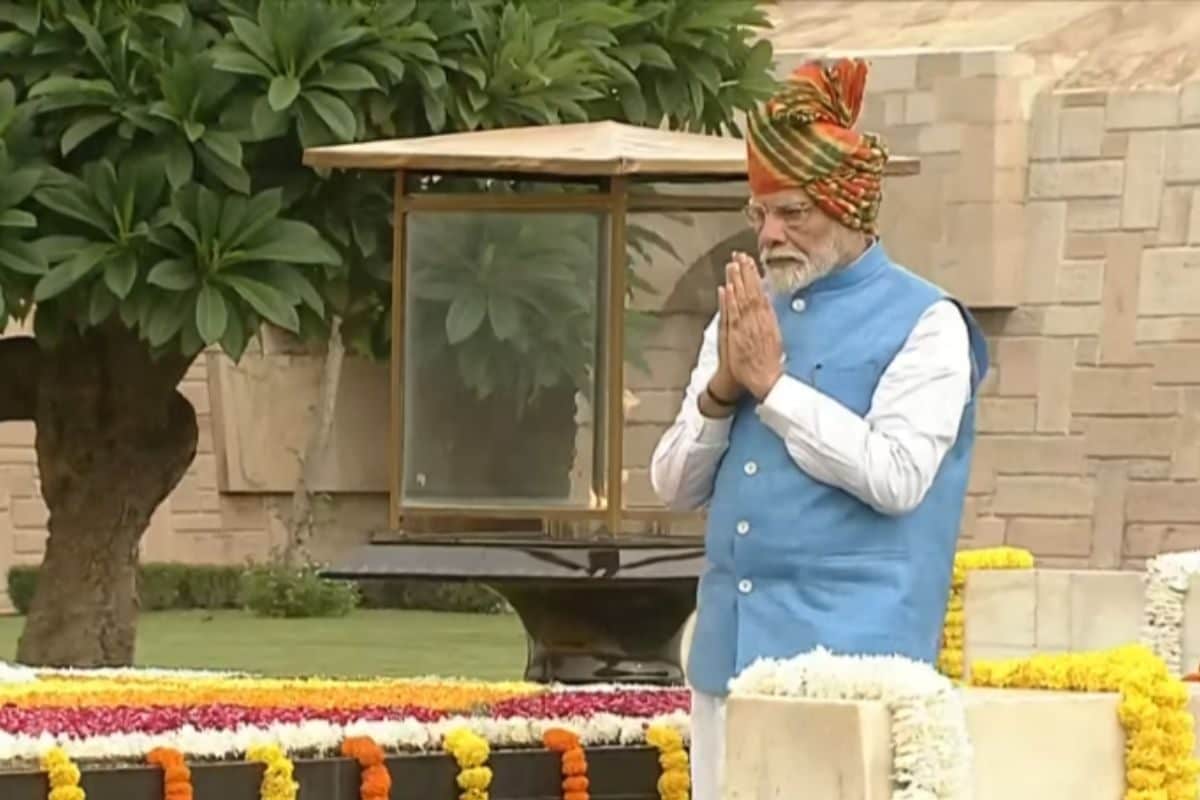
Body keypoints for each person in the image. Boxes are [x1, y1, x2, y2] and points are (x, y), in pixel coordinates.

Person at [649, 57, 989, 799]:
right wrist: (721, 391)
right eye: (759, 213)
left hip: (852, 669)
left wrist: (774, 390)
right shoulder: (744, 312)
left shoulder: (928, 322)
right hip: (725, 658)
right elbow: (672, 487)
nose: (770, 234)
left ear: (850, 209)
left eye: (793, 213)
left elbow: (898, 478)